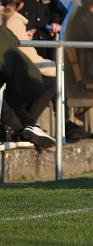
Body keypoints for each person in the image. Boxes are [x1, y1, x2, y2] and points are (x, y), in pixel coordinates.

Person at [0, 17, 55, 149]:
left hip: (14, 77)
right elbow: (17, 42)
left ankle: (20, 130)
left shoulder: (12, 22)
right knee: (10, 103)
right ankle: (28, 127)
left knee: (6, 102)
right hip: (27, 78)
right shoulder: (7, 29)